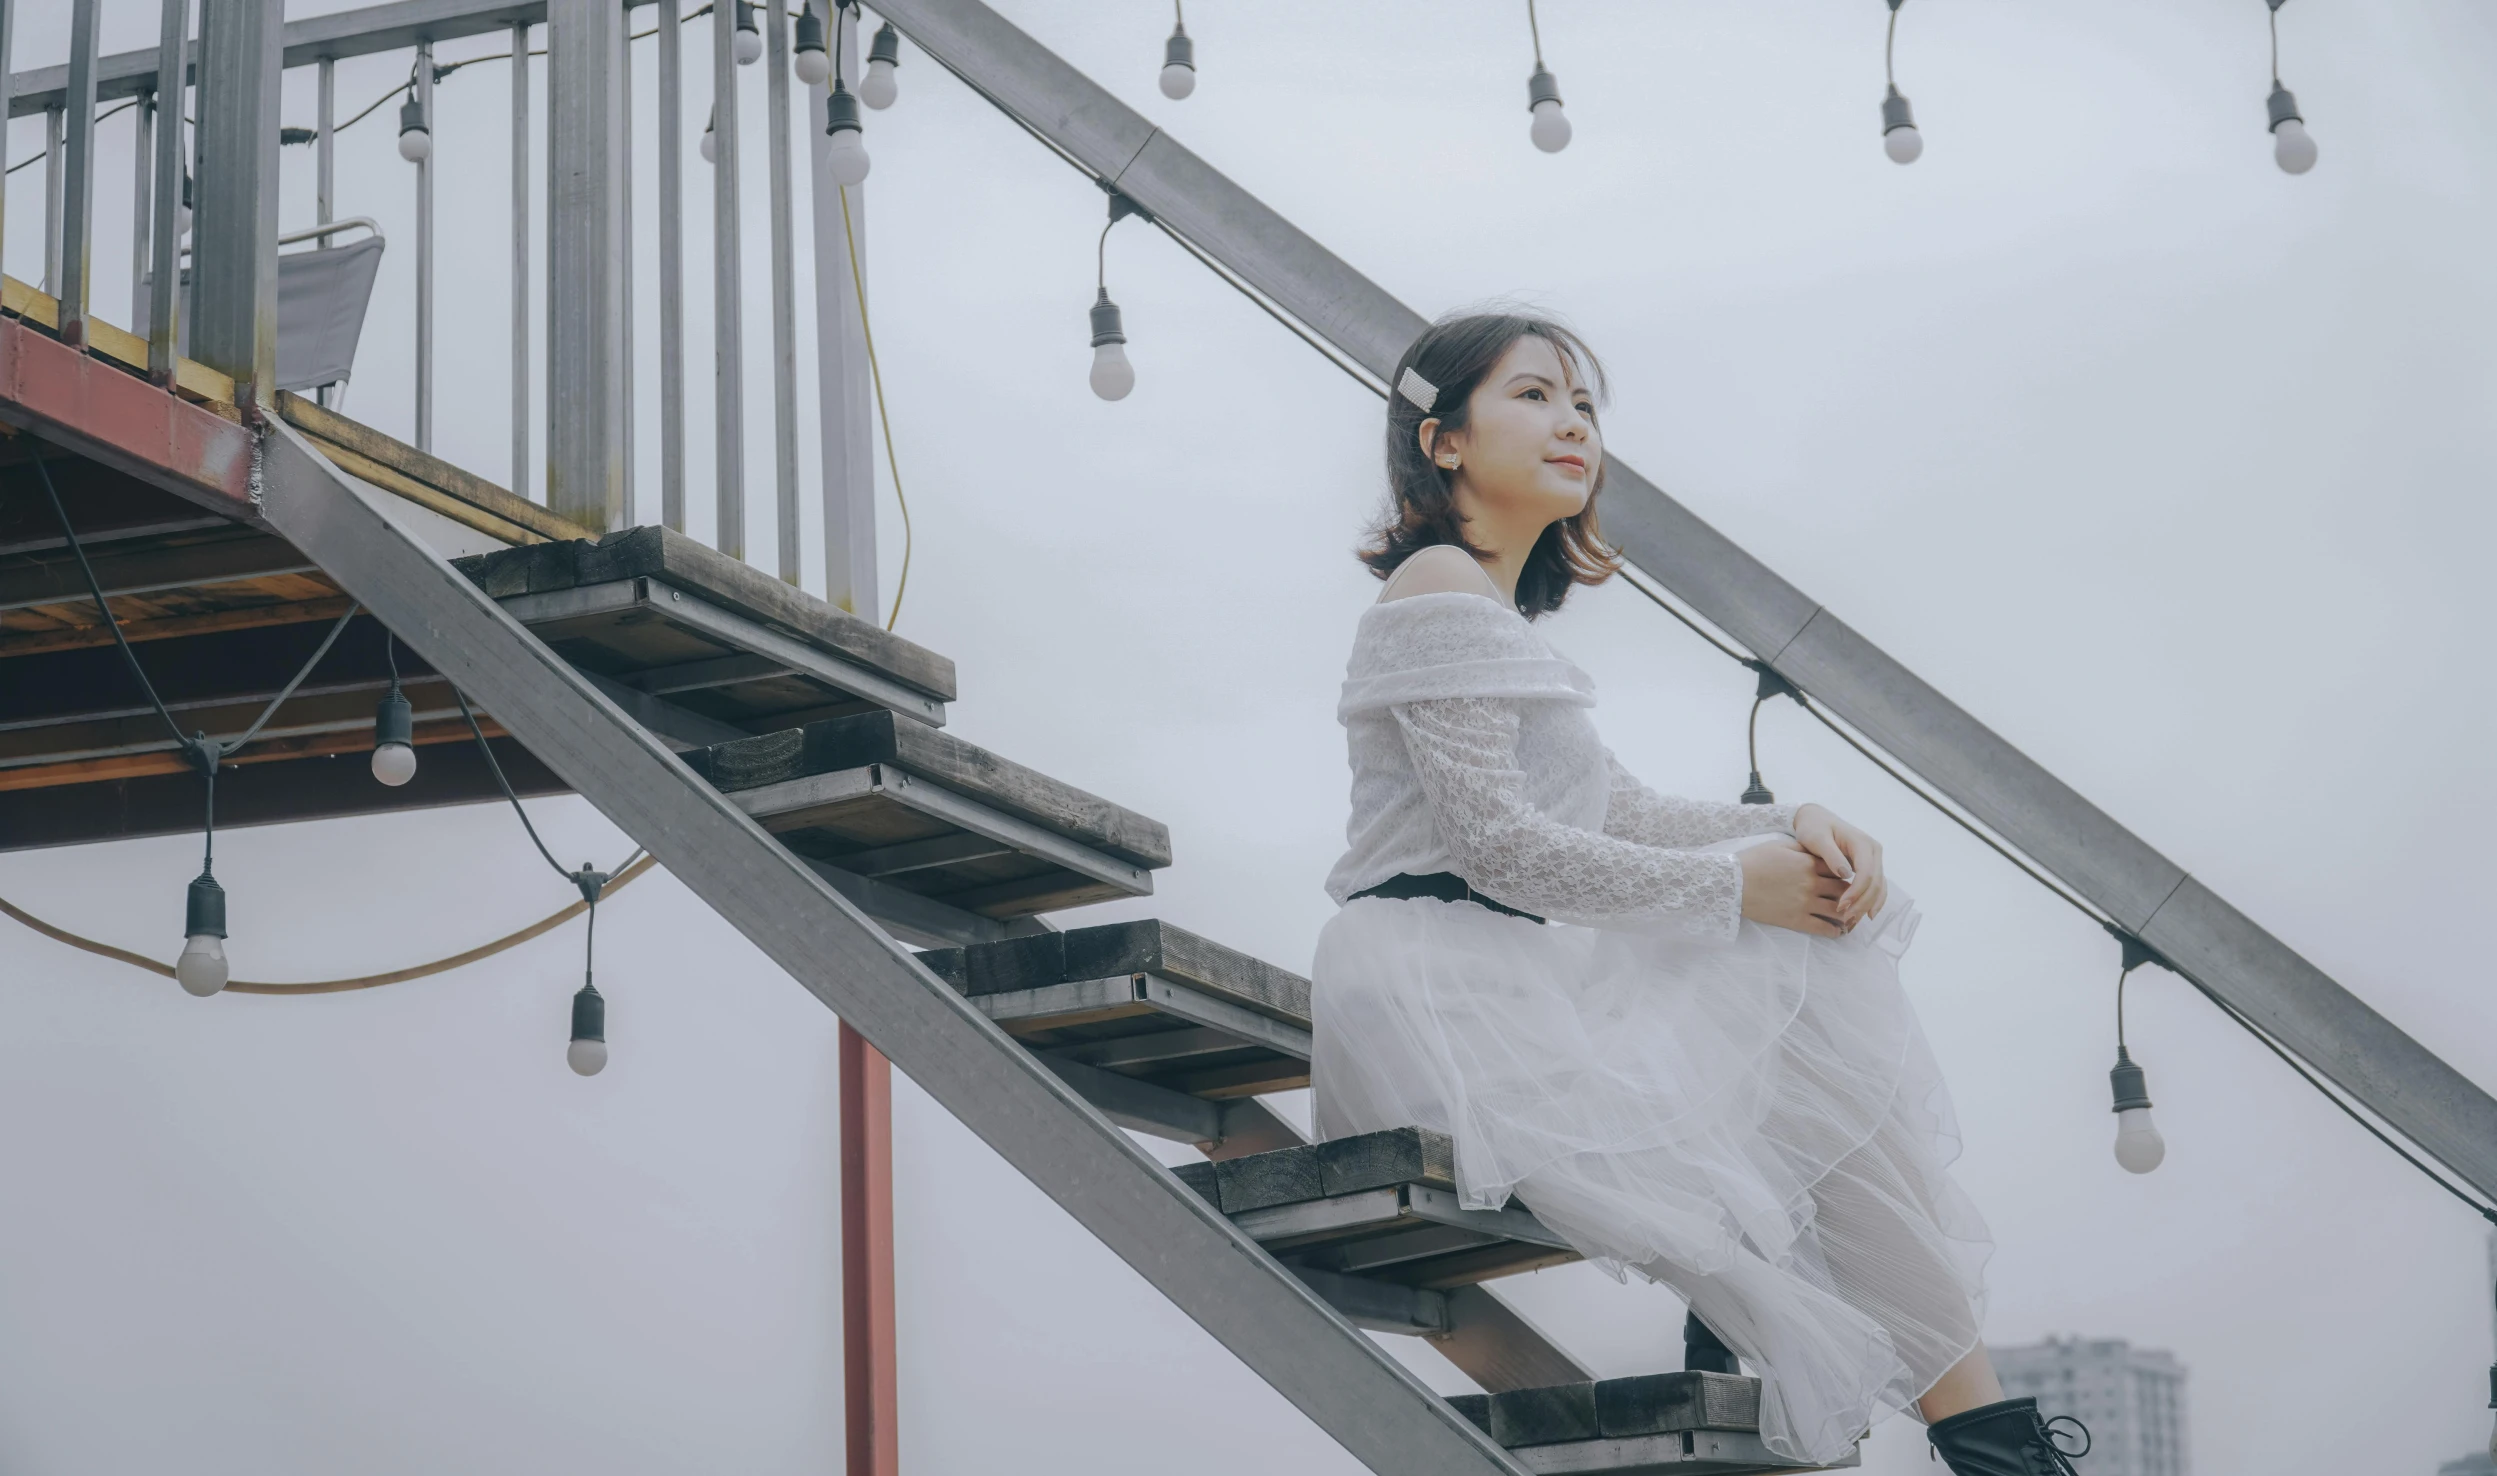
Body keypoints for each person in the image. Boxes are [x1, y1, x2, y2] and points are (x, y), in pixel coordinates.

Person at [1309, 310, 2088, 1475]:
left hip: (1494, 975)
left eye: (1583, 405)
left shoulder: (1489, 615)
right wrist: (1740, 896)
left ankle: (1980, 1437)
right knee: (1774, 964)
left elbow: (1619, 814)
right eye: (1532, 396)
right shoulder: (1436, 587)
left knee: (1787, 980)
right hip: (1435, 988)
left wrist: (1791, 824)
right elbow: (1499, 849)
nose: (1572, 423)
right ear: (1443, 441)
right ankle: (1993, 1445)